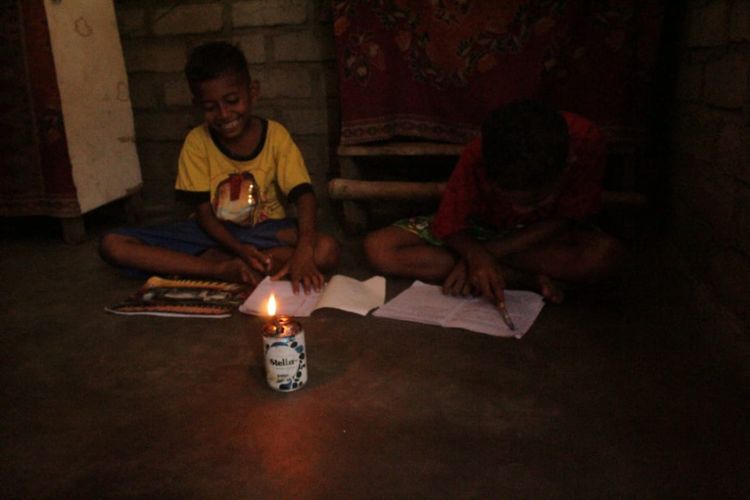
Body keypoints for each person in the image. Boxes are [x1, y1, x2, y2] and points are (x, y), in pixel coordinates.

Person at [100, 41, 339, 293]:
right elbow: (204, 215)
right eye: (211, 107)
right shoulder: (197, 142)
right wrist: (238, 249)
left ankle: (221, 262)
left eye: (232, 101)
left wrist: (303, 250)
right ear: (197, 105)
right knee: (113, 244)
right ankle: (221, 269)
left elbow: (305, 197)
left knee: (325, 249)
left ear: (253, 91)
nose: (224, 114)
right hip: (209, 231)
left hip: (264, 231)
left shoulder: (275, 136)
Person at [364, 99, 624, 307]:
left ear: (566, 165)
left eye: (533, 198)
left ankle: (485, 272)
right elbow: (450, 223)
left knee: (603, 256)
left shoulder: (585, 142)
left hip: (540, 238)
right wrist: (475, 255)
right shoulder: (481, 153)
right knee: (381, 248)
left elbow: (568, 218)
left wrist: (482, 256)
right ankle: (527, 280)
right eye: (507, 196)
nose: (519, 209)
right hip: (481, 230)